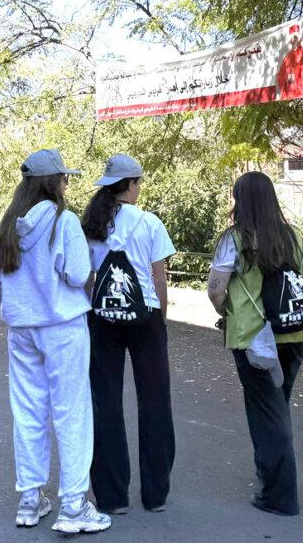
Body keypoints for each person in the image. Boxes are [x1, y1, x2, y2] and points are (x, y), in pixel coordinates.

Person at [0, 149, 111, 534]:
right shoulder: (63, 221)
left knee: (28, 411)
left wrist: (19, 303)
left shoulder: (8, 225)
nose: (67, 183)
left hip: (21, 330)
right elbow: (77, 275)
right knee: (71, 411)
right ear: (53, 182)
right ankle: (73, 504)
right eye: (65, 177)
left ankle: (30, 498)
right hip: (63, 328)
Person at [207, 171, 303, 516]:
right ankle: (269, 474)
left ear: (241, 200)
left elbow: (216, 288)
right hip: (293, 331)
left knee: (266, 412)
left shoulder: (235, 239)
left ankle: (279, 495)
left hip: (253, 336)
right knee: (278, 405)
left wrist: (226, 312)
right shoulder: (293, 235)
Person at [82, 154, 177, 514]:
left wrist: (95, 309)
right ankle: (155, 494)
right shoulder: (150, 222)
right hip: (146, 317)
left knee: (105, 402)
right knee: (155, 402)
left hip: (103, 317)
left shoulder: (94, 224)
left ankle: (112, 496)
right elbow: (159, 277)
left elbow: (88, 277)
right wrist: (161, 320)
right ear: (132, 184)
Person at [276, 25, 303, 100]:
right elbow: (280, 74)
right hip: (289, 91)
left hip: (299, 90)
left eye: (295, 38)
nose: (293, 41)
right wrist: (286, 76)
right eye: (292, 39)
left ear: (298, 39)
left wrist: (295, 77)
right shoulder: (288, 55)